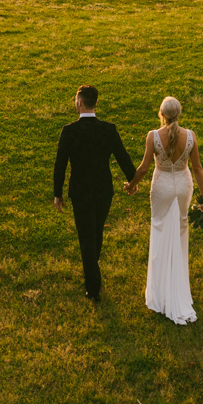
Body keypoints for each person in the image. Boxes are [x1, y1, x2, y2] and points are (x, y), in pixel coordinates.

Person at [125, 95, 203, 324]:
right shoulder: (190, 136)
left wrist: (131, 185)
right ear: (179, 113)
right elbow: (198, 169)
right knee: (180, 234)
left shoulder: (153, 136)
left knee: (159, 233)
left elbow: (143, 168)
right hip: (182, 187)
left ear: (161, 114)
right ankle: (178, 288)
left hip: (161, 187)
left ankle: (160, 294)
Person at [52, 84, 136, 302]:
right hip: (103, 190)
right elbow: (123, 157)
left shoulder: (69, 131)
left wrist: (57, 193)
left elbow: (60, 164)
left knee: (87, 237)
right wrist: (133, 180)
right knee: (96, 233)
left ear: (80, 102)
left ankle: (92, 287)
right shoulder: (108, 129)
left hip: (80, 192)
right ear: (95, 102)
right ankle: (93, 276)